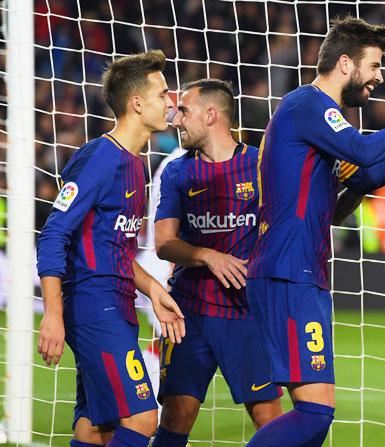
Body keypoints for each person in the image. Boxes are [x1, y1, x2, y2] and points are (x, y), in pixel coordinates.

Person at [244, 16, 385, 447]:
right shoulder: (309, 106)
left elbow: (363, 175)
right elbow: (361, 149)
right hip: (288, 270)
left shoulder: (322, 119)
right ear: (344, 63)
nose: (378, 78)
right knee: (316, 414)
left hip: (300, 272)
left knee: (312, 423)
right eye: (374, 66)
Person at [36, 50, 186, 447]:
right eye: (162, 94)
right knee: (142, 417)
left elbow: (114, 247)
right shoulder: (99, 159)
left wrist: (153, 289)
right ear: (137, 103)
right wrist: (53, 313)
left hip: (116, 303)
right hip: (93, 303)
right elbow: (53, 235)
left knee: (96, 426)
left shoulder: (135, 163)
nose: (169, 102)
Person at [151, 79, 284, 446]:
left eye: (184, 111)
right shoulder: (177, 172)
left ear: (211, 116)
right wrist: (207, 256)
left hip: (247, 312)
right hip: (189, 312)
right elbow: (163, 243)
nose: (175, 119)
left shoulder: (261, 164)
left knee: (269, 419)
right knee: (177, 415)